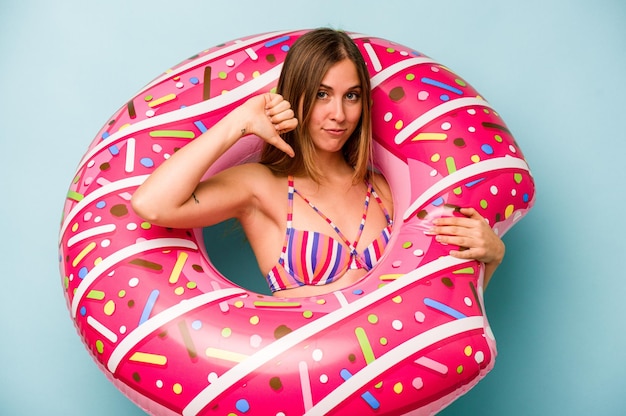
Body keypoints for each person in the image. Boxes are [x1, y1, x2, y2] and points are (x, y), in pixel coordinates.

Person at [131, 28, 505, 298]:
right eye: (322, 95)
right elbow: (152, 205)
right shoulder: (261, 187)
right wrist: (238, 122)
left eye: (352, 96)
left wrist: (491, 258)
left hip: (392, 396)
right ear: (298, 96)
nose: (338, 114)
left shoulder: (388, 192)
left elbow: (440, 299)